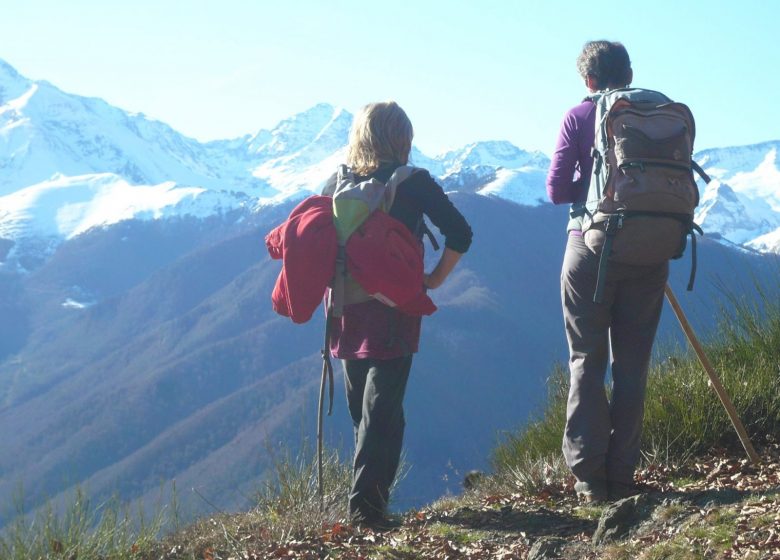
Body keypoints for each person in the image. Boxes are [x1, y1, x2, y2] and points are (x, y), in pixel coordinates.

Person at [322, 101, 473, 527]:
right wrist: (434, 280)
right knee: (382, 409)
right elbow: (461, 232)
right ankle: (366, 513)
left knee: (367, 412)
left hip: (346, 309)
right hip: (394, 310)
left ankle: (369, 505)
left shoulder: (336, 182)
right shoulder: (414, 183)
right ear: (403, 138)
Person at [546, 41, 668, 503]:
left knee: (587, 361)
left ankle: (589, 478)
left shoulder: (580, 116)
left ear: (589, 80)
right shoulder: (658, 110)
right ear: (630, 72)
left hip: (590, 247)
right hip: (651, 247)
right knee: (633, 366)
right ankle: (622, 475)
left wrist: (597, 190)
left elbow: (558, 190)